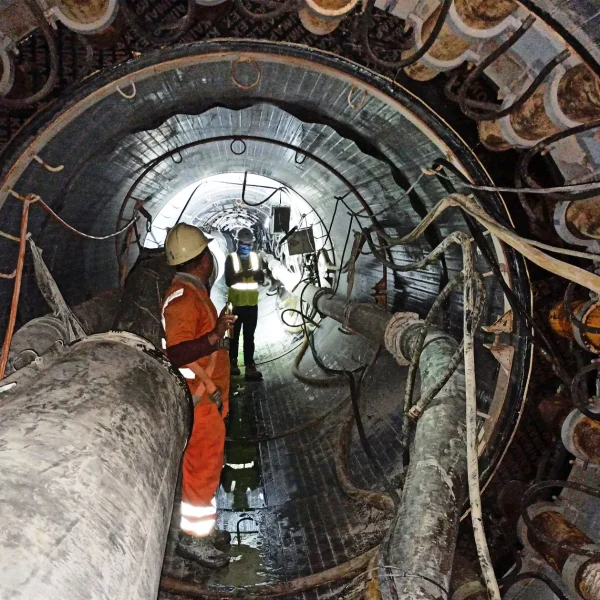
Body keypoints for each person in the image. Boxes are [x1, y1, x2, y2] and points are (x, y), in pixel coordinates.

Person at [161, 223, 237, 569]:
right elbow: (176, 353)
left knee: (208, 470)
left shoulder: (194, 293)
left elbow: (199, 341)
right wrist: (213, 337)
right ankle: (193, 541)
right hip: (199, 401)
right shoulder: (181, 299)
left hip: (210, 400)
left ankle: (203, 530)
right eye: (208, 253)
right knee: (200, 470)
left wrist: (217, 330)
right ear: (202, 259)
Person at [225, 227, 264, 380]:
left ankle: (249, 365)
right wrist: (244, 275)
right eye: (243, 243)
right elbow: (229, 281)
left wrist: (257, 275)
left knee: (249, 336)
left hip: (251, 304)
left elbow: (261, 278)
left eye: (249, 244)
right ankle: (232, 362)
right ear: (237, 242)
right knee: (233, 336)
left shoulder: (255, 258)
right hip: (235, 304)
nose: (246, 246)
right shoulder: (231, 258)